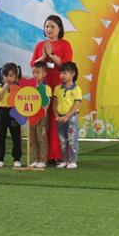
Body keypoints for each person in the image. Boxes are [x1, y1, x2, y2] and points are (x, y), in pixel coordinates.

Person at [30, 15, 72, 164]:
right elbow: (33, 65)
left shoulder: (65, 44)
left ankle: (59, 155)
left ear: (59, 29)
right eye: (47, 26)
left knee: (56, 119)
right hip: (43, 86)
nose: (49, 29)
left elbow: (67, 65)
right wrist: (43, 56)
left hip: (59, 85)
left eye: (52, 27)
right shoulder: (40, 45)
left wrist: (51, 55)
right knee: (43, 118)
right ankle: (43, 157)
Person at [0, 63, 22, 169]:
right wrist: (4, 88)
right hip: (2, 111)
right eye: (6, 76)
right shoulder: (0, 86)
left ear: (15, 76)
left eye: (11, 75)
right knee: (0, 136)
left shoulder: (18, 87)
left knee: (16, 136)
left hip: (14, 112)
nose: (8, 78)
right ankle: (0, 159)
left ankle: (17, 158)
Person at [54, 62, 82, 169]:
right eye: (60, 73)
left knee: (72, 139)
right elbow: (54, 103)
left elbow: (76, 104)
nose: (62, 75)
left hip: (71, 118)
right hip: (60, 118)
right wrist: (57, 115)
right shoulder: (58, 89)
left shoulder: (77, 89)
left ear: (73, 74)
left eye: (65, 73)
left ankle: (73, 161)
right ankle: (65, 160)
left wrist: (67, 116)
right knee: (62, 140)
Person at [28, 61, 52, 168]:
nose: (35, 75)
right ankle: (35, 159)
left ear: (44, 74)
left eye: (38, 73)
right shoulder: (30, 87)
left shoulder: (47, 88)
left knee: (42, 138)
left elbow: (47, 103)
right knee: (33, 138)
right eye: (33, 72)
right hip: (31, 116)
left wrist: (40, 115)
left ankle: (43, 160)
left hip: (42, 116)